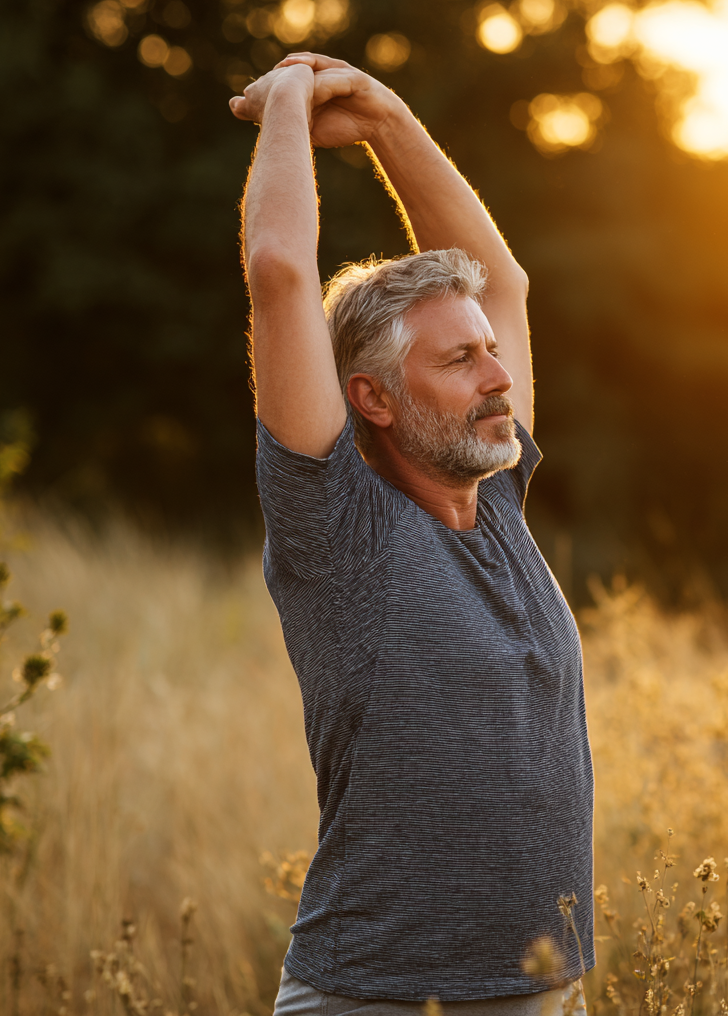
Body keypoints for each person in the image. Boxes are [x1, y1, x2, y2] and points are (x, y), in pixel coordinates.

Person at [229, 53, 594, 1016]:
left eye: (492, 354)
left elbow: (505, 279)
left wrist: (387, 117)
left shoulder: (500, 495)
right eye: (462, 359)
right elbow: (277, 270)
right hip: (381, 997)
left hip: (544, 990)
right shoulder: (339, 529)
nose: (499, 375)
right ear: (374, 401)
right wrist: (288, 101)